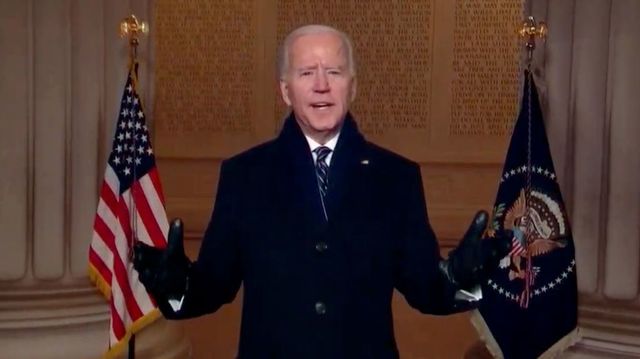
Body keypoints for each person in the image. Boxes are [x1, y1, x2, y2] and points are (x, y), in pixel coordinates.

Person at [134, 24, 511, 358]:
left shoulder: (396, 178)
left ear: (353, 85)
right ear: (285, 90)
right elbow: (214, 286)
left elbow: (426, 289)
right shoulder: (244, 176)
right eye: (306, 73)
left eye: (334, 71)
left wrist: (460, 276)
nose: (321, 84)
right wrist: (177, 285)